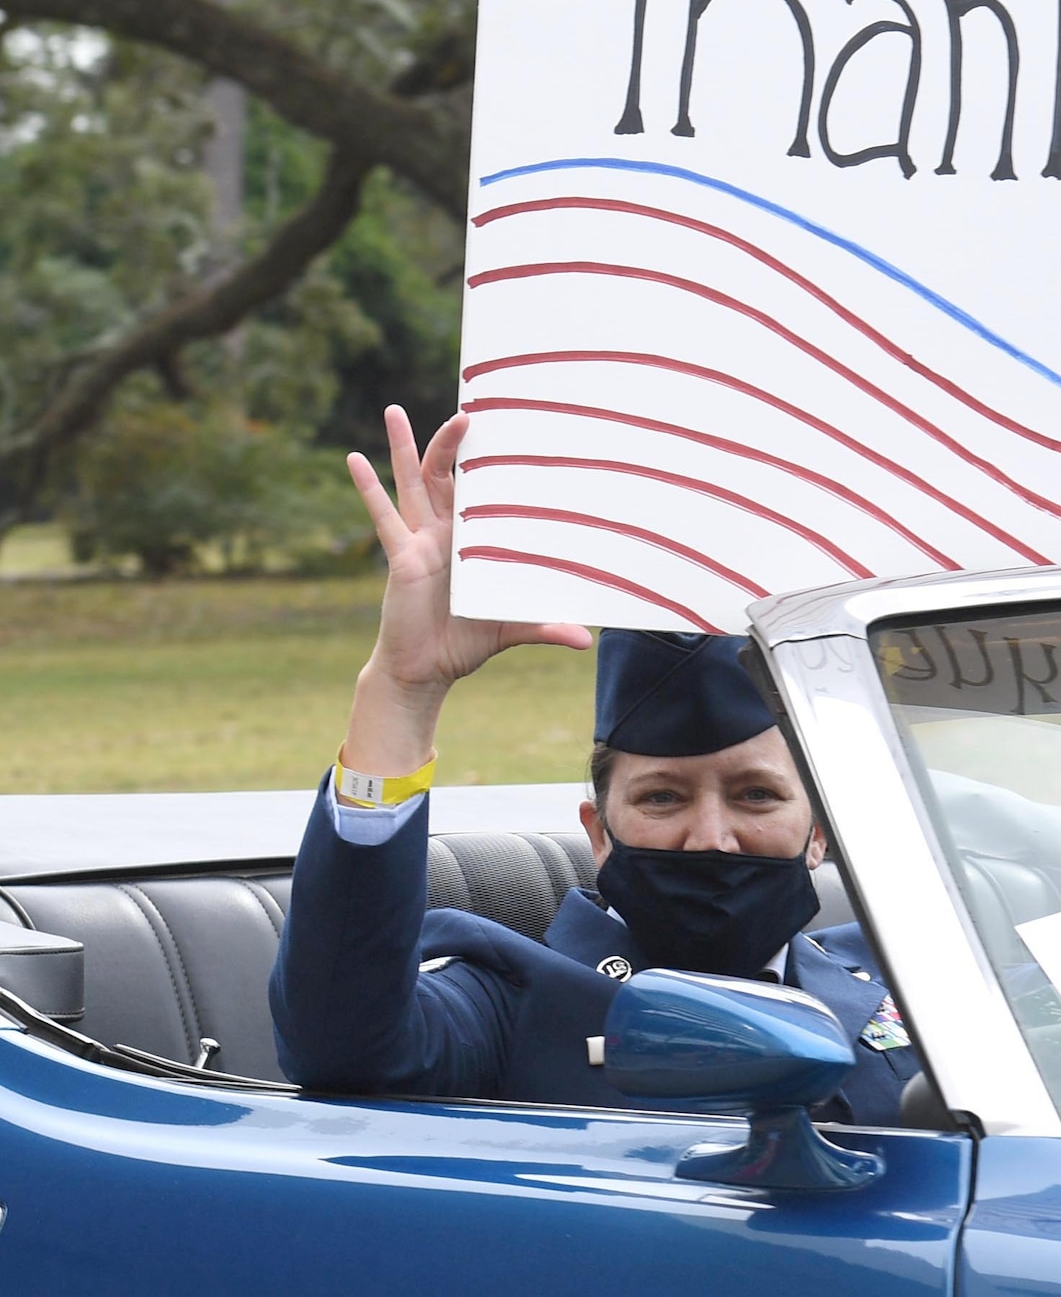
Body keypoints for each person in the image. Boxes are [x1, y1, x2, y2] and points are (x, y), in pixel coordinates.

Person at [268, 406, 917, 1124]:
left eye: (756, 795)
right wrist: (401, 689)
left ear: (820, 829)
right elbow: (343, 1045)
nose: (710, 836)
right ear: (599, 831)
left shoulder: (907, 978)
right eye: (663, 798)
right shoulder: (514, 999)